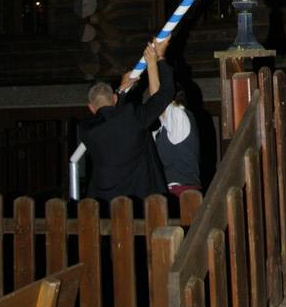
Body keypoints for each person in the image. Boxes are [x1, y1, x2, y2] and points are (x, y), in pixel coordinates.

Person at [79, 37, 174, 202]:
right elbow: (166, 93)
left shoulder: (86, 130)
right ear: (114, 99)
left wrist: (121, 92)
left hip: (105, 204)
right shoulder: (132, 116)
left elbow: (110, 120)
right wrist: (159, 58)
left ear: (91, 107)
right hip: (140, 202)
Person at [148, 46, 202, 199]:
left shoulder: (178, 114)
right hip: (174, 193)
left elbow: (157, 100)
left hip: (182, 194)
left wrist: (152, 63)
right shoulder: (167, 125)